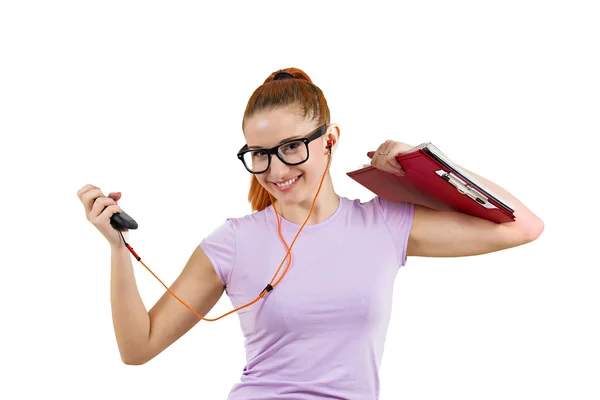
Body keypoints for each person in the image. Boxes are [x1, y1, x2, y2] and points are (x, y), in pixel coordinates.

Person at [77, 67, 544, 399]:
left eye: (291, 148)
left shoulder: (382, 223)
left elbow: (521, 226)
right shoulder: (234, 242)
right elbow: (138, 348)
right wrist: (118, 249)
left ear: (330, 140)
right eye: (259, 153)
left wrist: (424, 164)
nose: (274, 169)